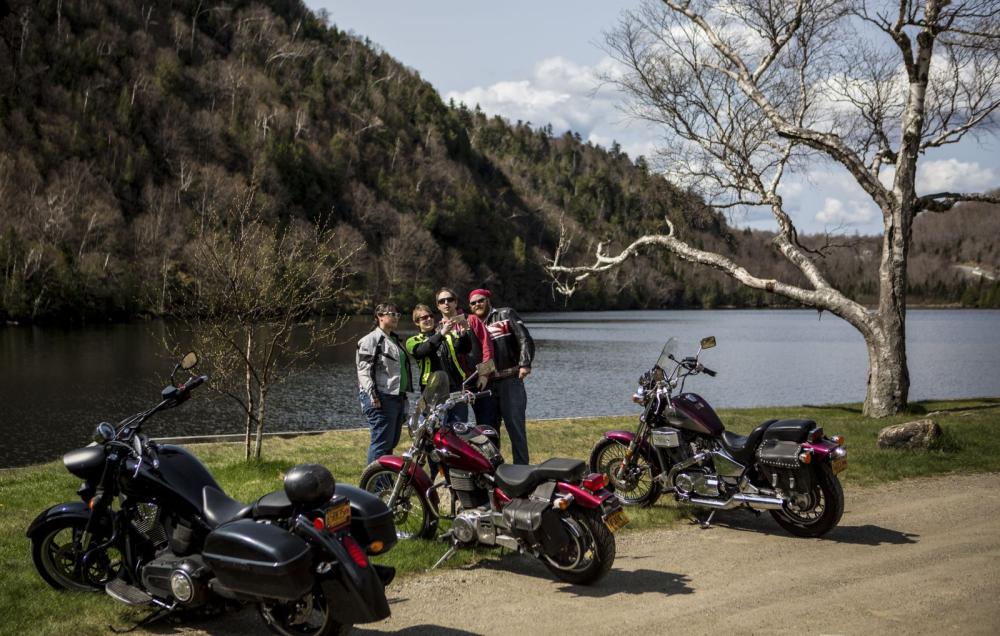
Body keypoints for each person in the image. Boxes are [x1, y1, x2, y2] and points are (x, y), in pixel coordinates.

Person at [468, 288, 535, 465]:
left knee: (515, 428)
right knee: (487, 431)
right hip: (487, 384)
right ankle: (493, 471)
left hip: (509, 379)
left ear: (488, 300)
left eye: (480, 300)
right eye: (473, 303)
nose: (477, 305)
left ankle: (522, 470)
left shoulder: (506, 314)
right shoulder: (472, 324)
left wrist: (525, 363)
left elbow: (524, 339)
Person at [356, 302, 412, 464]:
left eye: (397, 315)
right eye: (391, 314)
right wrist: (373, 395)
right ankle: (373, 485)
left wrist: (405, 398)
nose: (395, 318)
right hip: (380, 398)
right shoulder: (370, 340)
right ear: (379, 316)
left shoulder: (394, 340)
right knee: (381, 443)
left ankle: (383, 480)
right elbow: (364, 371)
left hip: (396, 397)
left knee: (390, 443)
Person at [435, 287, 495, 425]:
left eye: (449, 299)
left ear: (456, 302)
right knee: (456, 426)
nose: (446, 303)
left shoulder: (472, 320)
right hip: (456, 386)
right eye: (442, 301)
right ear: (438, 306)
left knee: (486, 424)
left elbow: (487, 346)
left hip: (478, 380)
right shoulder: (438, 329)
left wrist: (484, 374)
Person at [405, 303, 472, 423]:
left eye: (430, 316)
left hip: (455, 387)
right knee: (434, 428)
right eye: (424, 318)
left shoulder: (449, 335)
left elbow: (465, 349)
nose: (428, 319)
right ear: (416, 322)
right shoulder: (412, 341)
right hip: (432, 390)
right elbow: (421, 351)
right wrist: (441, 334)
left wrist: (463, 334)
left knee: (459, 426)